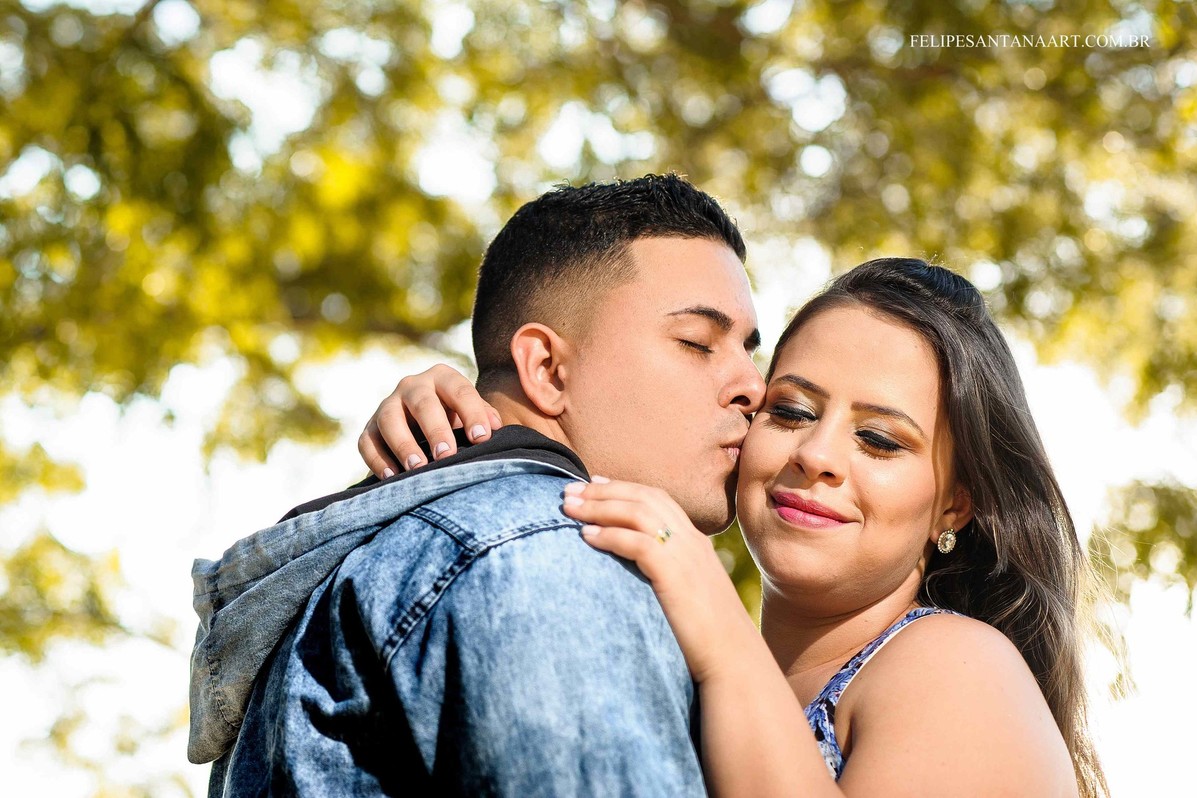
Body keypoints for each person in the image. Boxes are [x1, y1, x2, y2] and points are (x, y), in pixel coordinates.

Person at [367, 258, 1108, 796]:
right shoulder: (674, 650)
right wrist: (476, 421)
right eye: (789, 412)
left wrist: (724, 642)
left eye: (880, 440)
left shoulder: (956, 663)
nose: (816, 456)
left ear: (956, 505)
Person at [187, 174, 765, 795]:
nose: (753, 386)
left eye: (749, 350)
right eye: (697, 342)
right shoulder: (548, 557)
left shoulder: (384, 561)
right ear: (545, 368)